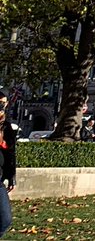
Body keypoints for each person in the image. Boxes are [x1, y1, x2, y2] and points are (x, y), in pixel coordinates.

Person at [0, 92, 16, 237]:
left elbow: (11, 153)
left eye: (4, 104)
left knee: (5, 220)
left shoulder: (6, 127)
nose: (2, 107)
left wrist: (12, 177)